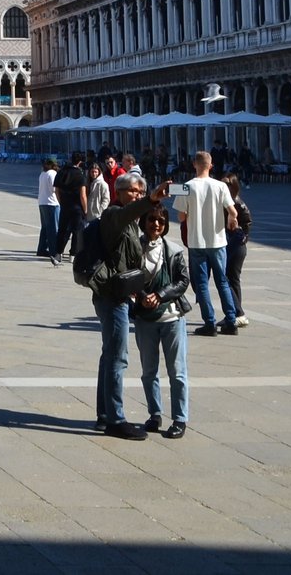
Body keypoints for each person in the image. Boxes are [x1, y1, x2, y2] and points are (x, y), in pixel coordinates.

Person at [92, 172, 171, 440]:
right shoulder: (114, 215)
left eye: (140, 192)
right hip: (111, 297)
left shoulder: (131, 223)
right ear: (119, 191)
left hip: (120, 294)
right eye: (133, 191)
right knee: (117, 357)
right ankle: (115, 420)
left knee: (109, 355)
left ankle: (105, 415)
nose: (137, 195)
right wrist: (151, 199)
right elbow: (129, 213)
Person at [129, 209, 191, 438]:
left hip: (172, 318)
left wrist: (161, 295)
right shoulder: (134, 248)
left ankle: (180, 419)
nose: (156, 224)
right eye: (152, 219)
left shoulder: (173, 250)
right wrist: (142, 295)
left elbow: (183, 281)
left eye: (161, 221)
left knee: (177, 371)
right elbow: (128, 277)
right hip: (145, 318)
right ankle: (154, 414)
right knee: (148, 371)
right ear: (144, 222)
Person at [173, 151, 240, 337]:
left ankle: (209, 323)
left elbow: (181, 217)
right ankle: (231, 321)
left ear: (194, 164)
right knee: (222, 281)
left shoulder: (186, 186)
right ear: (211, 166)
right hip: (218, 241)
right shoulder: (220, 186)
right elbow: (233, 211)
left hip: (197, 241)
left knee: (202, 284)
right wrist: (231, 220)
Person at [223, 174, 252, 327]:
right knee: (232, 279)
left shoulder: (237, 203)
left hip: (235, 244)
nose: (224, 187)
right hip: (229, 243)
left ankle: (238, 313)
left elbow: (247, 221)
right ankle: (234, 313)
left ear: (233, 186)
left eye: (227, 184)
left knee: (227, 279)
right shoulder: (225, 202)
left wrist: (244, 237)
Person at [51, 154, 86, 263]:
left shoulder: (61, 172)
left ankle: (58, 253)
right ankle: (73, 255)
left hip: (65, 205)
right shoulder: (80, 174)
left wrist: (61, 202)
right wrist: (85, 209)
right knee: (77, 231)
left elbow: (56, 191)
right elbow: (83, 195)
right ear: (79, 162)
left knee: (62, 230)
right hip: (77, 207)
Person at [36, 157, 60, 260]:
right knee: (53, 228)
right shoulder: (53, 174)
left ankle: (41, 248)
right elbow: (54, 189)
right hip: (52, 203)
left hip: (42, 202)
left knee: (45, 227)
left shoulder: (42, 174)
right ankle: (53, 250)